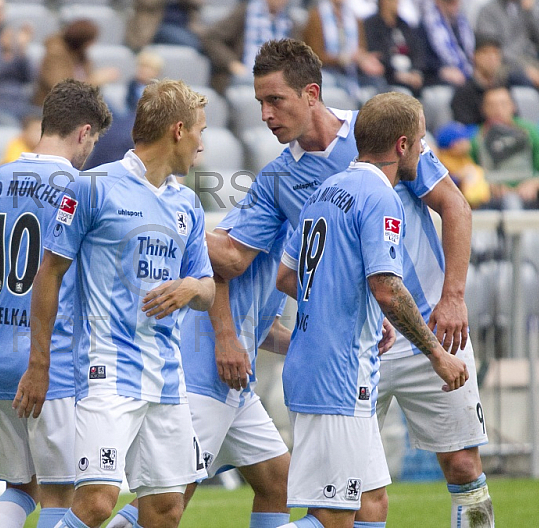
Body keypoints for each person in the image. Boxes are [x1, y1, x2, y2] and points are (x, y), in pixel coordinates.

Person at [207, 39, 494, 528]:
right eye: (259, 103)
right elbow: (245, 260)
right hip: (358, 348)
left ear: (311, 94)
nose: (265, 115)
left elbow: (455, 205)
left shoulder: (379, 132)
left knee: (459, 467)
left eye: (274, 100)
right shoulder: (278, 179)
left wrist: (452, 297)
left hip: (429, 327)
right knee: (349, 504)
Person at [18, 79, 215, 528]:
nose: (203, 144)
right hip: (107, 367)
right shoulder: (93, 187)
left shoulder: (188, 204)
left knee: (166, 508)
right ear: (178, 130)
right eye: (200, 131)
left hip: (167, 376)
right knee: (97, 503)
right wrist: (39, 363)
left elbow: (207, 288)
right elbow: (48, 273)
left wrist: (189, 288)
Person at [275, 92, 469, 528]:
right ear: (402, 145)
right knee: (333, 517)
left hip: (327, 364)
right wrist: (437, 354)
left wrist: (353, 309)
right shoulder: (382, 198)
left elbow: (288, 277)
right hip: (337, 373)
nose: (423, 149)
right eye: (420, 141)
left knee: (372, 501)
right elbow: (387, 288)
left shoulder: (326, 188)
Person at [0, 78, 112, 528]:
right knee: (60, 492)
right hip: (51, 361)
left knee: (19, 487)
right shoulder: (83, 189)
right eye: (93, 141)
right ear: (84, 132)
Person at [106, 210, 293, 528]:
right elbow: (215, 264)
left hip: (238, 386)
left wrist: (318, 342)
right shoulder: (265, 210)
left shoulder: (294, 235)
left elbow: (266, 330)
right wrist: (225, 338)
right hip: (204, 378)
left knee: (279, 483)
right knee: (167, 499)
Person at [470, 86, 539, 209]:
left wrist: (535, 184)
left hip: (530, 195)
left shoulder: (529, 131)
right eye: (492, 105)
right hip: (492, 199)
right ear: (483, 109)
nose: (498, 110)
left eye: (503, 104)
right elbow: (471, 173)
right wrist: (488, 185)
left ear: (513, 106)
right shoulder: (477, 138)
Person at [199, 0, 299, 94]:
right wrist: (232, 64)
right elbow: (211, 38)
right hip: (244, 75)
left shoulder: (291, 23)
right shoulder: (244, 12)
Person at [303, 0, 385, 101]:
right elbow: (313, 55)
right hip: (327, 71)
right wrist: (343, 59)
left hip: (353, 71)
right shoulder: (316, 16)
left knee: (378, 83)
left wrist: (365, 59)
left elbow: (361, 48)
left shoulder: (354, 17)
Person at [32, 19, 119, 107]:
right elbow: (61, 90)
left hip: (81, 104)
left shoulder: (82, 55)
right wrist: (94, 81)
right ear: (84, 41)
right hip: (56, 108)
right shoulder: (55, 55)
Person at [450, 36, 533, 127]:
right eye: (485, 53)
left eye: (495, 53)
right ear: (474, 56)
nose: (492, 58)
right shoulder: (464, 91)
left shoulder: (504, 86)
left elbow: (514, 118)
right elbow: (463, 127)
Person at [475, 0, 539, 91]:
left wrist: (530, 12)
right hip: (502, 65)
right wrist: (523, 67)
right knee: (522, 78)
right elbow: (493, 49)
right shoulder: (488, 10)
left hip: (529, 61)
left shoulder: (525, 8)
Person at [363, 0, 426, 96]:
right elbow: (376, 54)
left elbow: (417, 51)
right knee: (404, 94)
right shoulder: (371, 25)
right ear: (383, 0)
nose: (397, 2)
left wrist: (416, 71)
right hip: (388, 78)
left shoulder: (404, 25)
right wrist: (395, 74)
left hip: (410, 75)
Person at [435, 121, 490, 208]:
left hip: (477, 203)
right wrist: (459, 178)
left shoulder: (464, 158)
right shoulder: (442, 161)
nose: (468, 142)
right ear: (455, 145)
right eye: (464, 140)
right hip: (456, 205)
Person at [125, 0, 204, 52]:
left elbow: (198, 2)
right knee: (192, 45)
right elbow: (147, 1)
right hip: (154, 26)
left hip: (186, 25)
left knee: (204, 45)